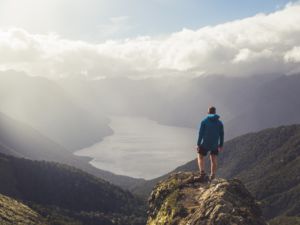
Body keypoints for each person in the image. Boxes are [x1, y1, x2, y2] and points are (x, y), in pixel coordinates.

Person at [196, 106, 224, 181]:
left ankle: (202, 173)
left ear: (208, 112)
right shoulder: (220, 123)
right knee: (213, 159)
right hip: (215, 144)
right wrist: (221, 145)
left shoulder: (204, 121)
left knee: (200, 156)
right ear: (215, 112)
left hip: (205, 143)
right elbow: (221, 134)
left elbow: (200, 134)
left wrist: (198, 144)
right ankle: (212, 175)